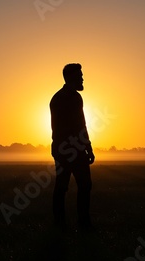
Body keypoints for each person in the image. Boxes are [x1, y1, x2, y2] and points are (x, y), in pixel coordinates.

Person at [50, 63, 95, 232]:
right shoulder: (74, 98)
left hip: (63, 150)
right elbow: (80, 126)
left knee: (62, 186)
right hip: (73, 150)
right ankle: (83, 222)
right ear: (70, 78)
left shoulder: (57, 97)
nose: (82, 78)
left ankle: (60, 223)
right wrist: (87, 148)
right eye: (79, 76)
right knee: (83, 185)